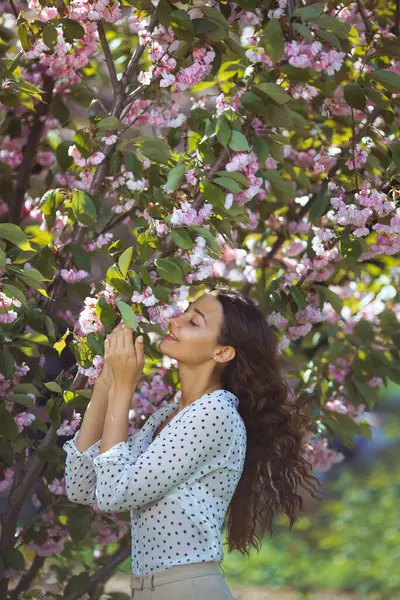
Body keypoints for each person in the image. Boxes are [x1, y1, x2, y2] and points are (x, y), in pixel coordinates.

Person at [63, 285, 320, 599]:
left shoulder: (214, 415)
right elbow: (82, 486)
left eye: (194, 322)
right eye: (183, 312)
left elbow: (116, 494)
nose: (175, 321)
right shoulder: (167, 416)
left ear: (222, 352)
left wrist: (123, 387)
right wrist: (106, 383)